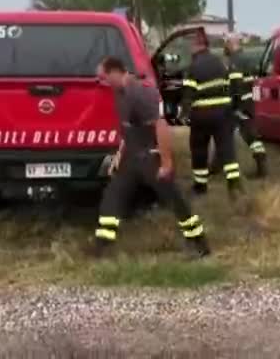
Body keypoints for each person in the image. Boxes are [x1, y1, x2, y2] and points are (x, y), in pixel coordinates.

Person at [87, 56, 210, 259]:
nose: (103, 83)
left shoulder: (140, 92)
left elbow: (160, 126)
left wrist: (166, 162)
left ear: (115, 72)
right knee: (112, 196)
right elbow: (129, 128)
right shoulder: (119, 93)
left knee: (174, 199)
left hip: (150, 158)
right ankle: (102, 246)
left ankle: (199, 242)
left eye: (104, 77)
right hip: (131, 158)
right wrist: (119, 155)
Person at [179, 30, 241, 199]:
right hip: (223, 114)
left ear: (198, 46)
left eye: (192, 45)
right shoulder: (220, 63)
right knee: (226, 148)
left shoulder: (193, 66)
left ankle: (200, 186)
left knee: (199, 149)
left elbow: (188, 93)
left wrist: (184, 114)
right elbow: (229, 85)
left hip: (202, 115)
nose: (190, 48)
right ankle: (234, 184)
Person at [223, 33, 268, 178]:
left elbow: (236, 85)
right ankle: (260, 162)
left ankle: (261, 166)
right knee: (248, 133)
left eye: (226, 43)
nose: (225, 47)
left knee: (235, 133)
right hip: (248, 102)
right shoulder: (247, 59)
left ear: (231, 43)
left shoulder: (235, 61)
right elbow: (253, 82)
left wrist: (235, 106)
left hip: (240, 103)